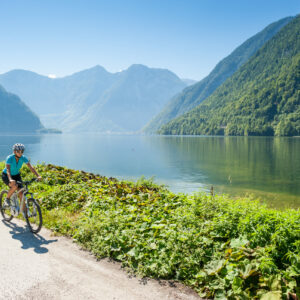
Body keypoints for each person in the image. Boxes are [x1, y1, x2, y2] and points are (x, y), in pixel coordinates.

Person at [2, 143, 42, 216]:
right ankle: (7, 199)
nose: (20, 153)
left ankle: (24, 211)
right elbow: (8, 169)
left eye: (22, 151)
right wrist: (10, 179)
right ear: (14, 151)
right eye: (18, 151)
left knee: (21, 192)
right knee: (14, 186)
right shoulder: (10, 158)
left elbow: (31, 167)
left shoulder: (24, 158)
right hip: (7, 175)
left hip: (17, 175)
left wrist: (38, 175)